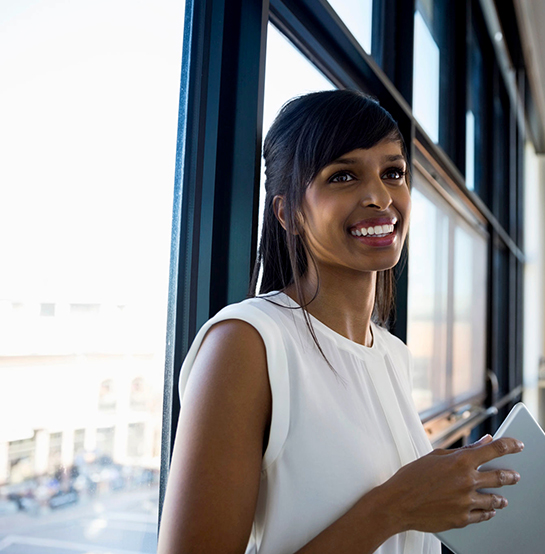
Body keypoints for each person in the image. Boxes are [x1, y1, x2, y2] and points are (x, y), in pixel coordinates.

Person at [157, 89, 523, 554]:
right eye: (343, 176)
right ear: (288, 213)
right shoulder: (249, 343)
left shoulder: (392, 353)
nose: (379, 196)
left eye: (393, 172)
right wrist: (395, 507)